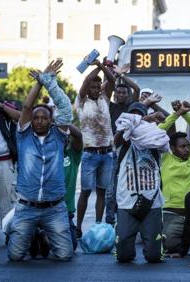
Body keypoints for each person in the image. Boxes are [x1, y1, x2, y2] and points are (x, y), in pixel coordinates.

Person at [7, 60, 73, 261]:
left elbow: (65, 106)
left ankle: (43, 234)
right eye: (36, 118)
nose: (40, 121)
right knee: (15, 256)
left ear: (51, 120)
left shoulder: (59, 134)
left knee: (64, 255)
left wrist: (49, 81)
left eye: (44, 118)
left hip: (54, 209)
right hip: (26, 208)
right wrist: (40, 82)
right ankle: (27, 232)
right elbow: (27, 106)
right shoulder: (24, 135)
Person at [113, 102, 168, 263]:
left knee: (153, 257)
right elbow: (121, 133)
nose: (136, 120)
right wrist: (145, 117)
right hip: (126, 201)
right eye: (133, 115)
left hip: (152, 201)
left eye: (140, 115)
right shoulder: (122, 143)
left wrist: (156, 118)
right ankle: (124, 247)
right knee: (123, 256)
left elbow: (170, 130)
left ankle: (159, 243)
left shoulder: (155, 141)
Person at [75, 59, 115, 238]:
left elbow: (112, 80)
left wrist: (101, 66)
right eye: (93, 87)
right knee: (84, 191)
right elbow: (84, 83)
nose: (95, 89)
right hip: (90, 153)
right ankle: (78, 226)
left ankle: (98, 225)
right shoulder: (82, 100)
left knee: (102, 191)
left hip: (107, 153)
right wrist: (94, 68)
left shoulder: (104, 98)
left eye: (98, 87)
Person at [158, 100, 190, 254]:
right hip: (171, 213)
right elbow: (159, 131)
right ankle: (184, 241)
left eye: (187, 145)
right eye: (182, 146)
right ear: (172, 148)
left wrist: (185, 113)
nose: (187, 149)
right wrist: (176, 114)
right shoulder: (166, 158)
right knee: (170, 244)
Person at [105, 64, 140, 225]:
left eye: (124, 92)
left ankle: (125, 221)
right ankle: (109, 221)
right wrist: (112, 74)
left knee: (125, 187)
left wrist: (122, 75)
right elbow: (105, 89)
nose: (120, 94)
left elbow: (137, 89)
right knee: (110, 190)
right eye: (118, 92)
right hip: (113, 150)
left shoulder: (131, 107)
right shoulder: (110, 106)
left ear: (128, 95)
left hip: (129, 150)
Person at [0, 82, 20, 245]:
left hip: (4, 161)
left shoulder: (2, 109)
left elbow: (20, 116)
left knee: (6, 201)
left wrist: (0, 105)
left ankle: (9, 232)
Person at [63, 124, 83, 250]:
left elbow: (78, 135)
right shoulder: (49, 151)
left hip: (66, 211)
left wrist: (63, 122)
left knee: (72, 246)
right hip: (46, 209)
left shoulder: (73, 154)